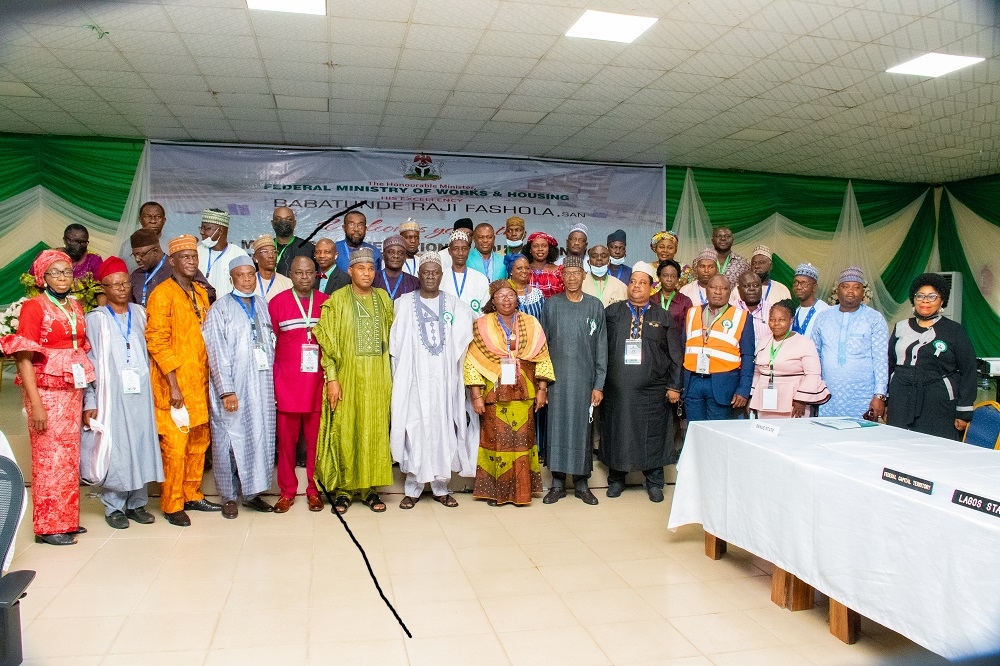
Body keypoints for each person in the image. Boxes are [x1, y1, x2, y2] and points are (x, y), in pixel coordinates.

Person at [1, 250, 94, 545]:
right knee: (48, 459)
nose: (63, 277)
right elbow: (24, 358)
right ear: (43, 277)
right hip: (46, 392)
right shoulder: (33, 306)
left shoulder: (76, 305)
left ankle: (65, 520)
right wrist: (36, 405)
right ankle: (47, 527)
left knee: (68, 458)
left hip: (72, 389)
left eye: (67, 271)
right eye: (55, 272)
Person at [390, 253, 476, 509]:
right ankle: (412, 489)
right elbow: (395, 343)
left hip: (443, 382)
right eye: (425, 272)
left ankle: (441, 487)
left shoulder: (455, 305)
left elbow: (465, 337)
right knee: (414, 429)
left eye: (435, 272)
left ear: (441, 275)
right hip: (414, 380)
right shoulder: (403, 304)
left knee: (442, 431)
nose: (430, 276)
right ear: (419, 275)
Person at [83, 257, 164, 529]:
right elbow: (88, 362)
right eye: (114, 284)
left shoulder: (141, 314)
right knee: (116, 448)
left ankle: (137, 503)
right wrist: (90, 401)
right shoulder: (95, 320)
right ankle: (114, 506)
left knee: (140, 444)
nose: (121, 288)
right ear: (103, 287)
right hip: (111, 396)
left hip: (141, 394)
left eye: (125, 283)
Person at [146, 235, 221, 527]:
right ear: (172, 261)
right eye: (185, 257)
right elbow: (156, 341)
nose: (191, 261)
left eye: (194, 257)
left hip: (200, 382)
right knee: (176, 447)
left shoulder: (201, 293)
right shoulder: (161, 294)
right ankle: (173, 502)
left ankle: (192, 492)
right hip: (173, 385)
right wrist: (174, 385)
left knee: (199, 442)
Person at [314, 247, 394, 514]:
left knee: (374, 431)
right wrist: (332, 379)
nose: (367, 274)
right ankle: (345, 489)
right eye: (361, 268)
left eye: (371, 269)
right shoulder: (336, 300)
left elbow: (394, 338)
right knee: (346, 430)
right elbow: (327, 343)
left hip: (378, 378)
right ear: (350, 271)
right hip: (347, 377)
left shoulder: (383, 298)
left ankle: (370, 489)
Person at [465, 280, 555, 506]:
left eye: (511, 295)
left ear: (517, 299)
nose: (506, 300)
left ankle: (522, 492)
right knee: (496, 441)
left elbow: (542, 356)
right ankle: (497, 493)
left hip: (524, 393)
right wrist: (476, 396)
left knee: (523, 442)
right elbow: (472, 361)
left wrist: (542, 390)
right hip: (494, 393)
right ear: (492, 301)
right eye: (501, 296)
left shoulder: (531, 323)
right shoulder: (481, 324)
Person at [600, 262, 683, 502]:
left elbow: (675, 355)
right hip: (617, 391)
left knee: (653, 435)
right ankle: (616, 480)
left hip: (653, 392)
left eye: (642, 282)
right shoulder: (612, 313)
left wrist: (674, 386)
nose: (636, 286)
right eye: (633, 282)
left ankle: (654, 482)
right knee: (618, 433)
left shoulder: (662, 316)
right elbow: (600, 350)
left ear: (651, 287)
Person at [203, 256, 276, 518]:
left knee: (258, 438)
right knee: (229, 442)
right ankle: (229, 497)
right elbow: (216, 351)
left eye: (250, 275)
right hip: (233, 388)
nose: (247, 280)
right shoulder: (220, 309)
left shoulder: (263, 305)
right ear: (231, 278)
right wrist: (226, 390)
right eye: (241, 275)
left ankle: (253, 493)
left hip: (262, 385)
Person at [539, 256, 606, 505]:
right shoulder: (551, 305)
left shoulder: (595, 306)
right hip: (557, 382)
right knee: (556, 429)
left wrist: (598, 384)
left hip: (584, 381)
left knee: (582, 431)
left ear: (584, 276)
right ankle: (557, 484)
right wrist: (543, 384)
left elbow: (602, 347)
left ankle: (581, 483)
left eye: (577, 273)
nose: (572, 278)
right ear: (561, 277)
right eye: (567, 273)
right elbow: (542, 347)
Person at [268, 255, 328, 513]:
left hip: (318, 386)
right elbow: (270, 347)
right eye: (299, 272)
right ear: (290, 274)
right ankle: (287, 491)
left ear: (316, 274)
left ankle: (314, 490)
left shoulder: (327, 304)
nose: (304, 277)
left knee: (317, 444)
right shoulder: (277, 303)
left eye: (309, 272)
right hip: (287, 386)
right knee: (286, 445)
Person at [887, 273, 977, 439]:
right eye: (920, 296)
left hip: (938, 403)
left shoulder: (954, 331)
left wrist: (964, 411)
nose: (925, 301)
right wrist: (886, 401)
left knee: (934, 451)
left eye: (932, 296)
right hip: (901, 400)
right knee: (898, 447)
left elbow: (969, 370)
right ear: (913, 300)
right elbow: (889, 364)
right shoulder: (900, 327)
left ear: (942, 301)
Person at [810, 267, 889, 419]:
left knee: (860, 440)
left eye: (856, 287)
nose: (851, 291)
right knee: (827, 438)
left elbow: (880, 360)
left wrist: (879, 395)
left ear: (863, 292)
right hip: (827, 396)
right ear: (837, 291)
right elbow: (814, 356)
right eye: (845, 286)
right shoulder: (823, 317)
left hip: (863, 397)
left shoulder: (875, 318)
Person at [683, 274, 755, 421]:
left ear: (730, 291)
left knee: (717, 434)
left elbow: (748, 356)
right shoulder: (692, 313)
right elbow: (682, 348)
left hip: (724, 384)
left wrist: (743, 390)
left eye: (723, 288)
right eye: (713, 287)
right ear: (706, 290)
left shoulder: (742, 316)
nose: (717, 292)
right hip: (693, 382)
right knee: (695, 431)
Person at [748, 299, 829, 418]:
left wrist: (801, 400)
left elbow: (813, 374)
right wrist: (753, 397)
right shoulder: (763, 342)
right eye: (772, 319)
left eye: (781, 320)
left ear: (791, 320)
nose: (776, 323)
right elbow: (756, 373)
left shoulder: (804, 343)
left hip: (793, 401)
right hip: (765, 398)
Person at [128, 228, 216, 308]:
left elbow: (210, 295)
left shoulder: (180, 267)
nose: (137, 259)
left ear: (155, 251)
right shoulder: (135, 276)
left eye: (141, 255)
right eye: (135, 255)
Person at [440, 229, 491, 316]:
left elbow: (484, 312)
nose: (460, 253)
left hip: (473, 328)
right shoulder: (441, 277)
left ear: (468, 250)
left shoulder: (480, 278)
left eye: (464, 249)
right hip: (446, 328)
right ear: (449, 251)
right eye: (456, 249)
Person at [197, 208, 246, 298]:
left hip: (229, 309)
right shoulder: (196, 252)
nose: (201, 232)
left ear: (220, 231)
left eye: (206, 228)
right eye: (201, 228)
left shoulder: (239, 255)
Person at [119, 201, 167, 273]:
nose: (153, 221)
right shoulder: (127, 245)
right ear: (140, 220)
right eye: (147, 216)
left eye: (158, 217)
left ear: (164, 221)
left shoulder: (171, 245)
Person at [272, 206, 315, 277]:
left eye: (288, 219)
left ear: (294, 223)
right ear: (272, 223)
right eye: (278, 219)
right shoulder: (265, 247)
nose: (283, 222)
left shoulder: (307, 248)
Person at [374, 235, 419, 300]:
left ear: (405, 257)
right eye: (391, 252)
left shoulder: (415, 283)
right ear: (383, 255)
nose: (396, 256)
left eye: (400, 253)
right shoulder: (373, 279)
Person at [655, 259, 693, 333]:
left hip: (677, 342)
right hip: (655, 343)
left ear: (677, 279)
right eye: (665, 275)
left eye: (673, 276)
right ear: (659, 278)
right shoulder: (651, 300)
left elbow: (689, 328)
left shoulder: (685, 301)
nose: (669, 279)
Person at [791, 263, 829, 337]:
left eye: (803, 283)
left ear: (814, 287)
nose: (798, 287)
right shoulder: (795, 311)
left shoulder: (824, 311)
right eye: (796, 282)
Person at [251, 234, 293, 302]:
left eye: (274, 252)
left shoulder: (288, 283)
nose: (271, 256)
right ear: (255, 257)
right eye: (265, 252)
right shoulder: (249, 283)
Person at [524, 231, 563, 298]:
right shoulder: (523, 270)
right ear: (530, 249)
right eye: (536, 246)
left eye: (544, 246)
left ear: (549, 249)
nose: (540, 249)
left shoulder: (559, 271)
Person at [736, 271, 772, 344]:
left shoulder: (772, 310)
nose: (751, 289)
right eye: (746, 286)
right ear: (739, 289)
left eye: (756, 285)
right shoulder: (730, 308)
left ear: (761, 287)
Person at [508, 255, 545, 319]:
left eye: (527, 268)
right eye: (519, 268)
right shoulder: (504, 293)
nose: (524, 271)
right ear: (511, 271)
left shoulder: (538, 294)